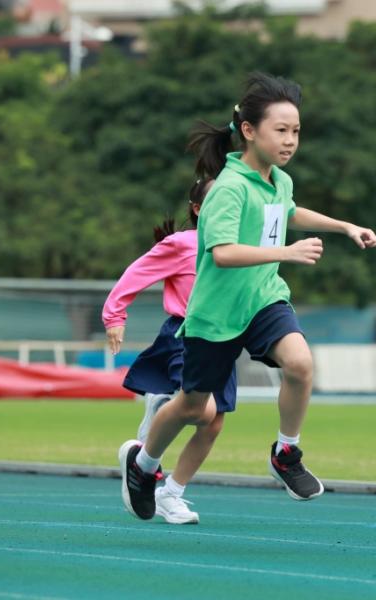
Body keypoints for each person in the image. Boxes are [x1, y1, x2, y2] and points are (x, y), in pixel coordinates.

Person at [119, 72, 376, 521]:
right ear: (248, 130)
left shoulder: (279, 180)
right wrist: (287, 252)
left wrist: (344, 226)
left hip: (263, 299)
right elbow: (222, 253)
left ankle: (286, 453)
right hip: (216, 315)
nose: (290, 140)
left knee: (300, 364)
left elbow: (290, 212)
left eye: (296, 130)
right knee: (192, 407)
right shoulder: (228, 188)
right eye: (281, 130)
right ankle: (143, 466)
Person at [106, 178, 236, 524]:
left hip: (225, 341)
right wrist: (114, 315)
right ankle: (164, 407)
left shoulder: (239, 247)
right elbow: (137, 274)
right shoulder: (182, 244)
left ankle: (170, 494)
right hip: (187, 335)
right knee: (202, 411)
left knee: (213, 425)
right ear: (197, 209)